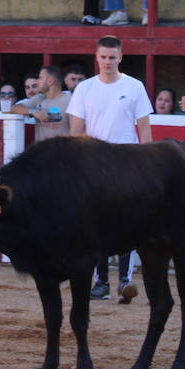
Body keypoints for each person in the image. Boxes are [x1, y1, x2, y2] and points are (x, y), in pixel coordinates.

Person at [66, 36, 151, 301]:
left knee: (128, 221)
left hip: (128, 162)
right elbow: (76, 131)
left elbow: (145, 129)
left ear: (120, 57)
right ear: (97, 57)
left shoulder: (134, 86)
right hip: (95, 163)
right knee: (97, 223)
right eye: (103, 57)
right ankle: (101, 281)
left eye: (112, 57)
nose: (107, 62)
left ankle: (125, 280)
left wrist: (147, 163)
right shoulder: (85, 89)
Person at [10, 65, 71, 140]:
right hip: (41, 150)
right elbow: (14, 108)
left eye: (40, 78)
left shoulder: (70, 100)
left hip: (62, 150)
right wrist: (33, 111)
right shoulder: (38, 99)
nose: (38, 81)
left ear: (50, 81)